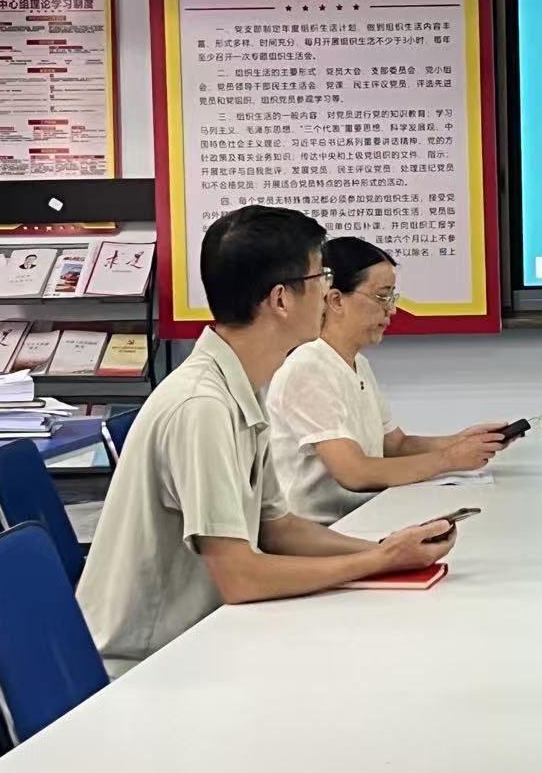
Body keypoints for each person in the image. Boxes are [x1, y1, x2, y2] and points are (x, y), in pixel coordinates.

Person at [77, 206, 455, 677]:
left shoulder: (242, 384)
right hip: (144, 668)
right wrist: (377, 561)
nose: (328, 294)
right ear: (280, 299)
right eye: (321, 278)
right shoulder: (202, 406)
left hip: (203, 639)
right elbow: (240, 577)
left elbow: (279, 529)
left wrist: (382, 550)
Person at [267, 237, 507, 524]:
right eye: (382, 297)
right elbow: (355, 473)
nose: (391, 310)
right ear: (336, 300)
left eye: (392, 297)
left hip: (363, 515)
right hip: (320, 531)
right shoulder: (308, 367)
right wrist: (449, 459)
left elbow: (396, 446)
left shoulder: (357, 363)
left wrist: (461, 442)